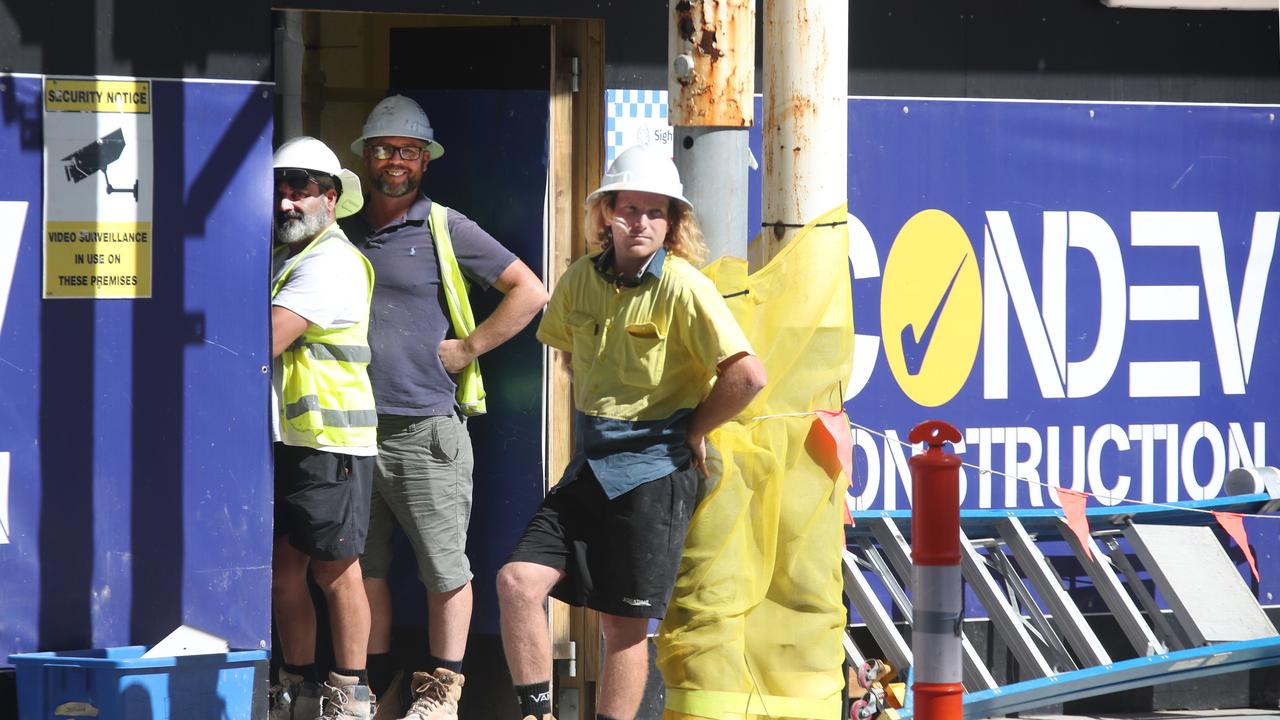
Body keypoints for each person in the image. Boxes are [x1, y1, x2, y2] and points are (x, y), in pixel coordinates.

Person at [496, 145, 769, 720]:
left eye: (654, 211)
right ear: (606, 215)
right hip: (591, 466)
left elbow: (747, 377)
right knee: (518, 583)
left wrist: (695, 430)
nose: (639, 222)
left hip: (655, 474)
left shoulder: (686, 287)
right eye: (628, 209)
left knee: (622, 627)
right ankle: (537, 714)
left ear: (672, 222)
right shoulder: (577, 279)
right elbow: (569, 354)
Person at [339, 95, 548, 720]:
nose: (395, 162)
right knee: (362, 569)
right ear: (365, 158)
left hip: (426, 430)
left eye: (408, 152)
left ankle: (442, 696)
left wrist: (469, 348)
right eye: (384, 150)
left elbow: (529, 290)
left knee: (443, 570)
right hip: (349, 429)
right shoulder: (342, 230)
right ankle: (369, 692)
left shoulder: (444, 226)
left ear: (425, 162)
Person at [269, 136, 378, 720]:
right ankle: (297, 689)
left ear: (331, 198)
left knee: (337, 573)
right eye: (281, 187)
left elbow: (266, 340)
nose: (288, 200)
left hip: (331, 444)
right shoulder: (291, 257)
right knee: (286, 574)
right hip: (293, 444)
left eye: (303, 188)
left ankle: (349, 692)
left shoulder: (331, 261)